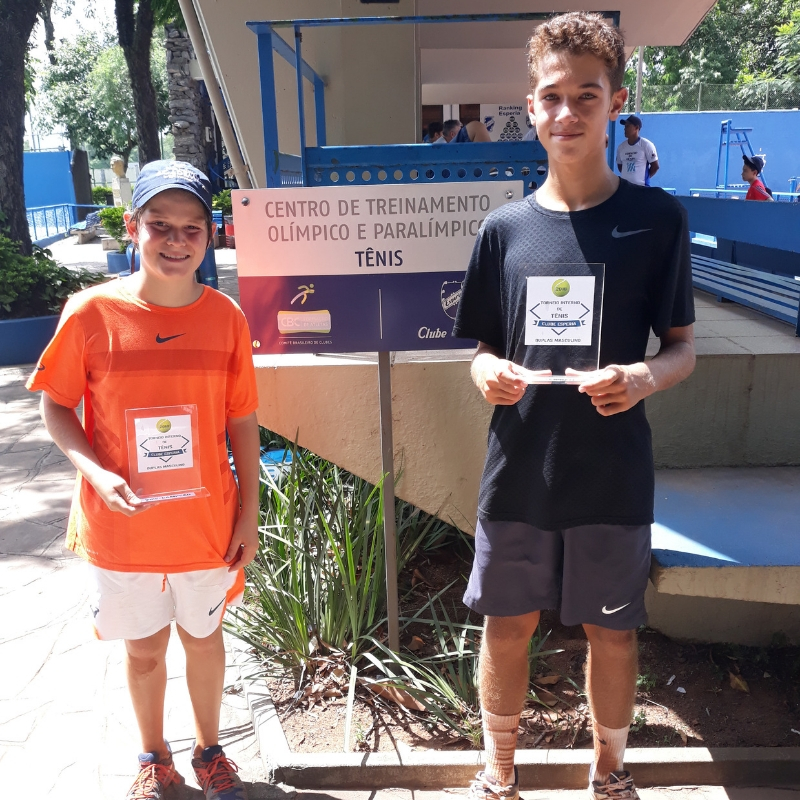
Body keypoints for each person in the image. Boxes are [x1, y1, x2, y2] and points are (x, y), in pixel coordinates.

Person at [453, 12, 695, 800]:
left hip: (612, 471)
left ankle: (610, 773)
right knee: (506, 625)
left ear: (616, 103)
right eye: (552, 96)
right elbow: (480, 350)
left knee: (612, 632)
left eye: (587, 95)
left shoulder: (657, 220)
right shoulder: (503, 229)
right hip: (519, 466)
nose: (568, 112)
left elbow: (682, 348)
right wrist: (486, 373)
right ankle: (498, 774)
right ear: (531, 106)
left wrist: (644, 377)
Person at [27, 160, 260, 800]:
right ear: (133, 227)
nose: (176, 241)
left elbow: (242, 419)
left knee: (205, 641)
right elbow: (55, 404)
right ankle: (154, 758)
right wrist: (95, 471)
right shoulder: (91, 313)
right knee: (144, 651)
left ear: (210, 235)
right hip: (124, 529)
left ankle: (210, 752)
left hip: (206, 524)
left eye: (192, 228)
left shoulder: (227, 318)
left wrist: (249, 513)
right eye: (160, 225)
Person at [615, 115, 659, 186]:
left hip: (641, 187)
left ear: (636, 128)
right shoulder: (621, 147)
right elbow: (620, 166)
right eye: (625, 127)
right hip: (625, 187)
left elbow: (655, 166)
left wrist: (643, 179)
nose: (625, 129)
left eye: (627, 126)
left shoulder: (646, 145)